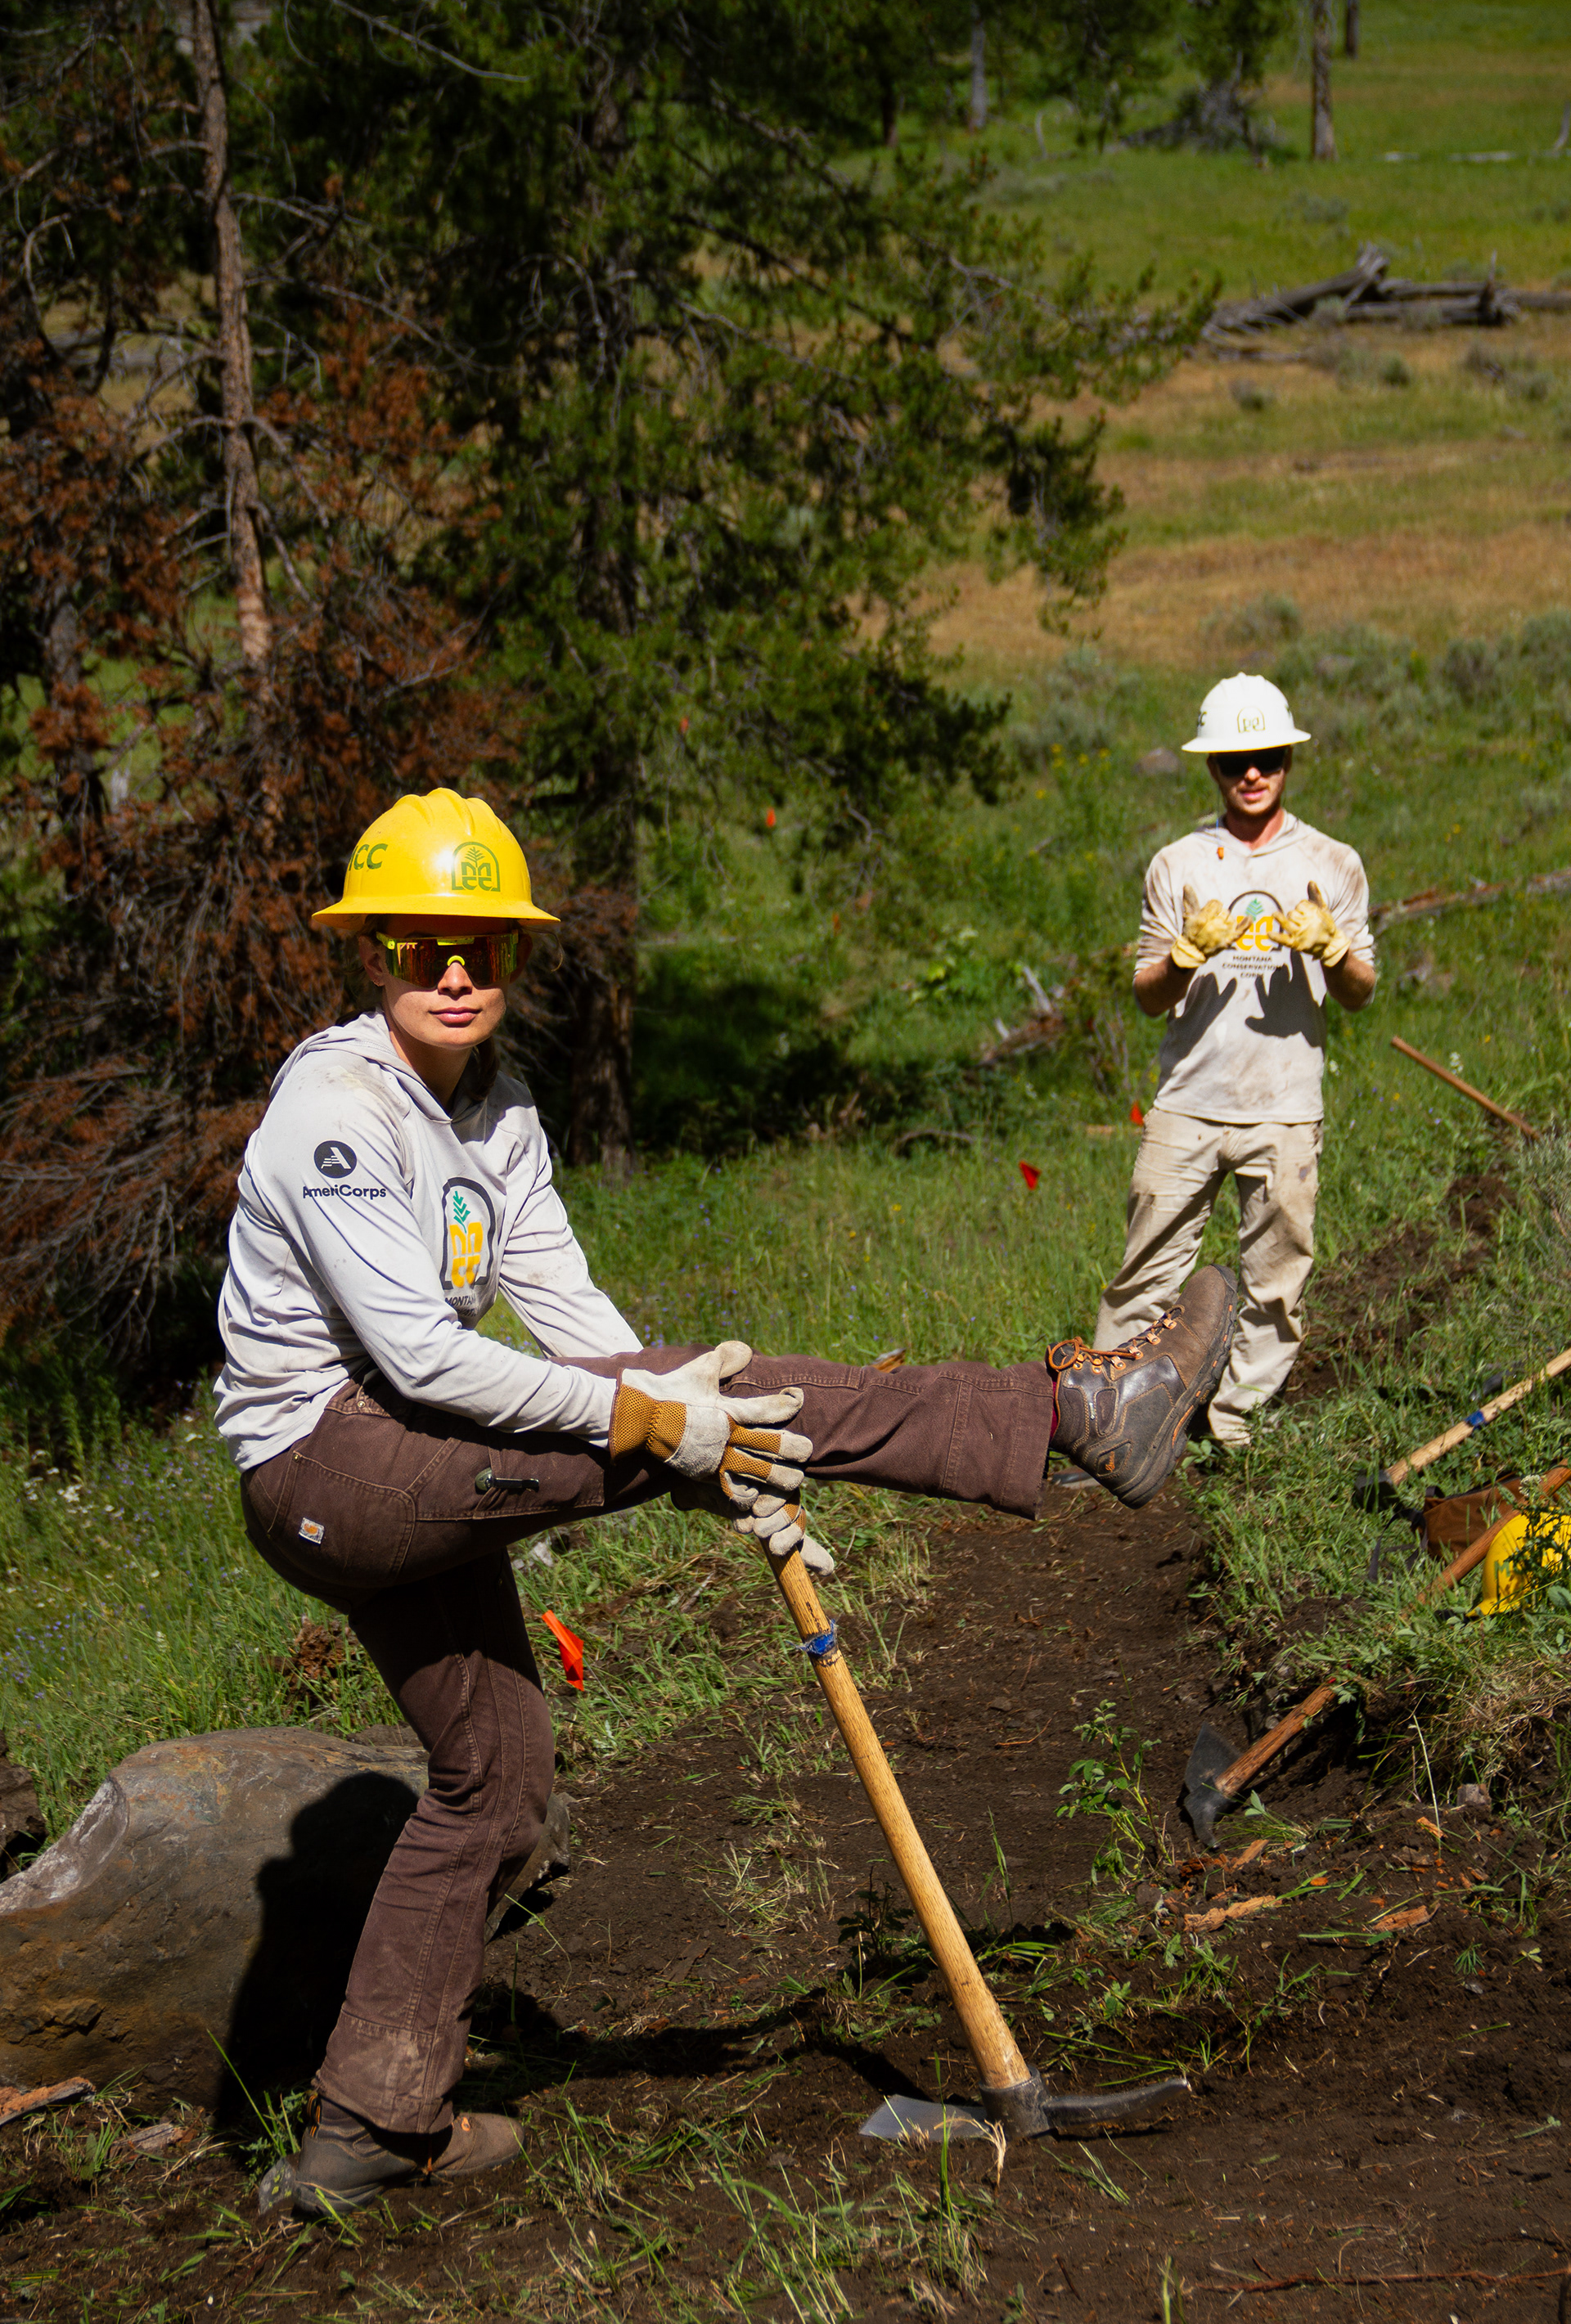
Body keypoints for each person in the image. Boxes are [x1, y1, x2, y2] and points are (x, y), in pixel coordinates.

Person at [214, 788, 1237, 2219]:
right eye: (419, 942)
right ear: (371, 947)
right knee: (755, 1395)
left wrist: (703, 1447)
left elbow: (581, 1329)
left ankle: (367, 2129)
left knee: (497, 1786)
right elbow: (418, 1356)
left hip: (424, 1453)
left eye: (482, 947)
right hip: (329, 1465)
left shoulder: (497, 1114)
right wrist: (657, 1424)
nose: (453, 971)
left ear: (511, 961)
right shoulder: (336, 1106)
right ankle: (1072, 1417)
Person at [1090, 673, 1375, 1452]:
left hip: (1285, 1103)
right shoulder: (1179, 864)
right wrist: (1183, 957)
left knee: (1276, 1282)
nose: (1252, 773)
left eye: (1269, 756)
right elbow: (1149, 995)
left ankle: (1235, 1423)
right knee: (1144, 1271)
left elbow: (1360, 992)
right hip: (1189, 1098)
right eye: (1233, 760)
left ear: (1288, 760)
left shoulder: (1331, 861)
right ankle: (1109, 1422)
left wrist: (1334, 947)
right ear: (1211, 768)